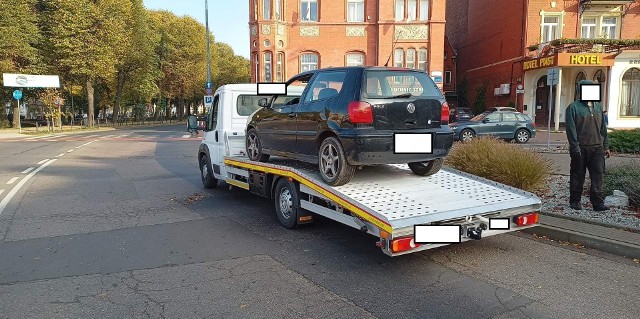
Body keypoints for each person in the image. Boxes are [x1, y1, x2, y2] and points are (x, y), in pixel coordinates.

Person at [565, 80, 611, 211]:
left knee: (598, 175)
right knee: (577, 175)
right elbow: (571, 129)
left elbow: (603, 128)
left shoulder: (598, 107)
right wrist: (574, 147)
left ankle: (598, 203)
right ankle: (575, 201)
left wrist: (606, 146)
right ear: (581, 90)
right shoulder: (573, 108)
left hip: (597, 148)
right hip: (580, 148)